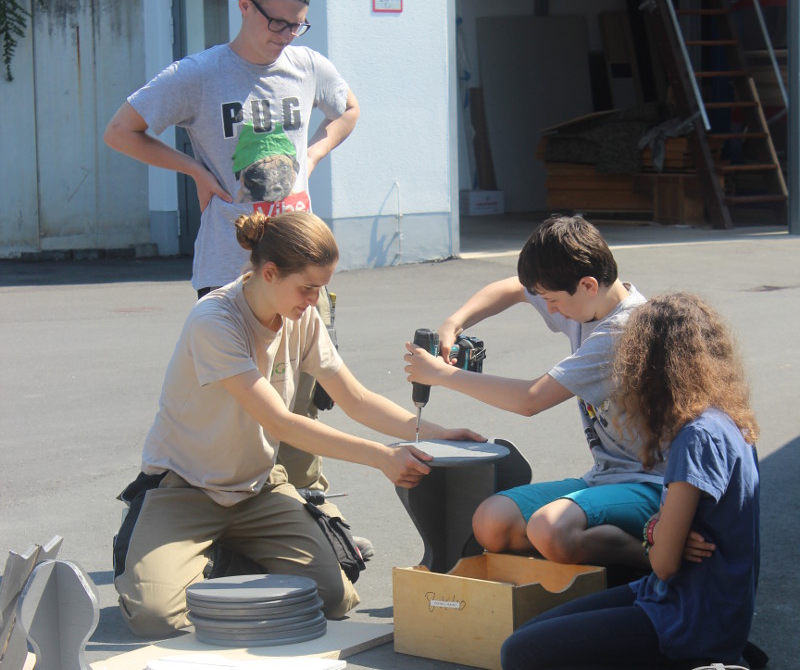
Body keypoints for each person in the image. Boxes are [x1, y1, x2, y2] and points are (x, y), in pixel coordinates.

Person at [113, 211, 484, 638]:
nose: (315, 300)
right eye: (307, 288)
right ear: (268, 273)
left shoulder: (301, 316)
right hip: (186, 487)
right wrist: (383, 458)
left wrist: (436, 434)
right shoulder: (214, 321)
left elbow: (357, 399)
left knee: (332, 599)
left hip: (257, 487)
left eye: (321, 289)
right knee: (156, 617)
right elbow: (279, 422)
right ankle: (182, 553)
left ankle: (227, 555)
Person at [104, 0, 360, 543]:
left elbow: (348, 109)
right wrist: (192, 167)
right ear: (243, 4)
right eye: (277, 22)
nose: (287, 35)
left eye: (298, 24)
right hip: (229, 267)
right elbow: (121, 130)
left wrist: (314, 155)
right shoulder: (200, 75)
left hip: (298, 269)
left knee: (300, 404)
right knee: (238, 414)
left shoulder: (308, 66)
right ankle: (209, 523)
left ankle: (304, 524)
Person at [500, 292, 760, 670]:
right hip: (691, 601)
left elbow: (664, 563)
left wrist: (657, 534)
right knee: (529, 633)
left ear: (649, 367)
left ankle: (707, 664)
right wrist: (663, 530)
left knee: (520, 653)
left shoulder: (695, 436)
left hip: (687, 617)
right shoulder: (728, 419)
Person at [404, 215, 663, 570]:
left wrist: (441, 374)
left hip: (651, 487)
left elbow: (530, 400)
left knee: (549, 528)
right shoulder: (586, 301)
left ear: (588, 284)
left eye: (552, 301)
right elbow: (513, 288)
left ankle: (659, 555)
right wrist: (455, 322)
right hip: (603, 476)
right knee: (491, 523)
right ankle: (581, 560)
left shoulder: (623, 332)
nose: (550, 310)